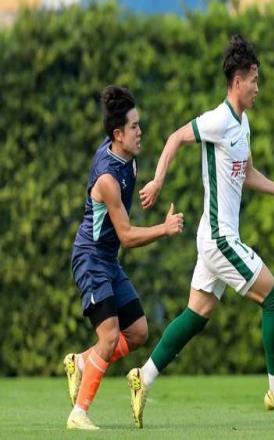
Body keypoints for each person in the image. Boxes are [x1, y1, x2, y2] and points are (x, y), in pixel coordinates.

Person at [126, 34, 274, 428]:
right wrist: (157, 180)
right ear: (237, 81)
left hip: (217, 239)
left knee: (197, 314)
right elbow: (176, 137)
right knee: (273, 295)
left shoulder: (243, 123)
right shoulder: (218, 120)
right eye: (254, 80)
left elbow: (247, 174)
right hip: (219, 238)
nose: (258, 88)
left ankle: (143, 377)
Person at [64, 85, 184, 430]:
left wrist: (153, 186)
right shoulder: (107, 178)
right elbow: (128, 237)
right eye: (134, 126)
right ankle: (78, 413)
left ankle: (82, 363)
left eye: (138, 124)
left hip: (108, 260)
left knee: (138, 332)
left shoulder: (129, 159)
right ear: (117, 135)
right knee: (109, 337)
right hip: (90, 260)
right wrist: (164, 228)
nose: (140, 131)